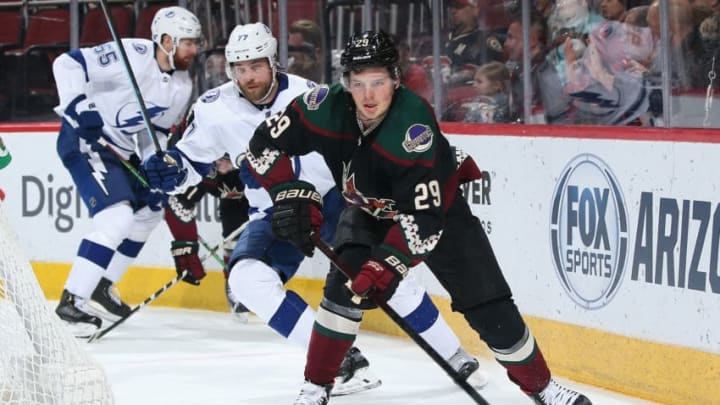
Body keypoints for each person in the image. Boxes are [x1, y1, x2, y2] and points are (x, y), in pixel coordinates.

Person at [243, 30, 593, 405]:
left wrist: (385, 266)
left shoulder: (413, 127)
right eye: (358, 83)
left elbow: (424, 221)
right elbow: (261, 145)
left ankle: (543, 388)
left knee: (489, 305)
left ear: (396, 78)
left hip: (437, 210)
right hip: (367, 208)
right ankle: (315, 388)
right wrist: (288, 192)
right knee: (340, 293)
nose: (368, 95)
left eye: (378, 82)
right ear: (346, 83)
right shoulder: (322, 106)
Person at [143, 22, 490, 398]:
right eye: (240, 68)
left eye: (256, 66)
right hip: (276, 213)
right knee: (245, 278)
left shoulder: (310, 95)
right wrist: (169, 173)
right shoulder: (213, 108)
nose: (248, 76)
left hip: (337, 200)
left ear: (272, 61)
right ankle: (342, 362)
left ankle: (453, 355)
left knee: (391, 278)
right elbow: (187, 167)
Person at [52, 6, 202, 335]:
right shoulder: (131, 54)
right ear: (166, 40)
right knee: (116, 219)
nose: (195, 49)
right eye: (189, 42)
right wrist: (79, 104)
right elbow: (67, 63)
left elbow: (155, 132)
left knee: (150, 210)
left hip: (120, 151)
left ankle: (102, 286)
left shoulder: (181, 84)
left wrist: (153, 160)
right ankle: (71, 303)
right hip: (85, 140)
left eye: (195, 43)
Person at [444, 0, 504, 87]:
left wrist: (467, 75)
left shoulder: (484, 41)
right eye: (451, 7)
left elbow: (491, 80)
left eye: (459, 6)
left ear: (475, 10)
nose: (453, 11)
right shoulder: (440, 40)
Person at [287, 19, 324, 83]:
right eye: (291, 48)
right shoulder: (288, 66)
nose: (292, 53)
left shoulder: (333, 69)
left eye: (298, 49)